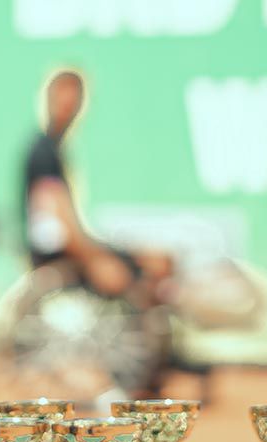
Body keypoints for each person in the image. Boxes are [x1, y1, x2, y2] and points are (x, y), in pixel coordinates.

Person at [21, 70, 171, 300]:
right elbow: (61, 229)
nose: (68, 106)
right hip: (62, 259)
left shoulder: (54, 150)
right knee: (149, 268)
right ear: (48, 99)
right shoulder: (43, 153)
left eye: (74, 99)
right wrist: (95, 260)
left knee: (158, 261)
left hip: (73, 253)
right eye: (62, 97)